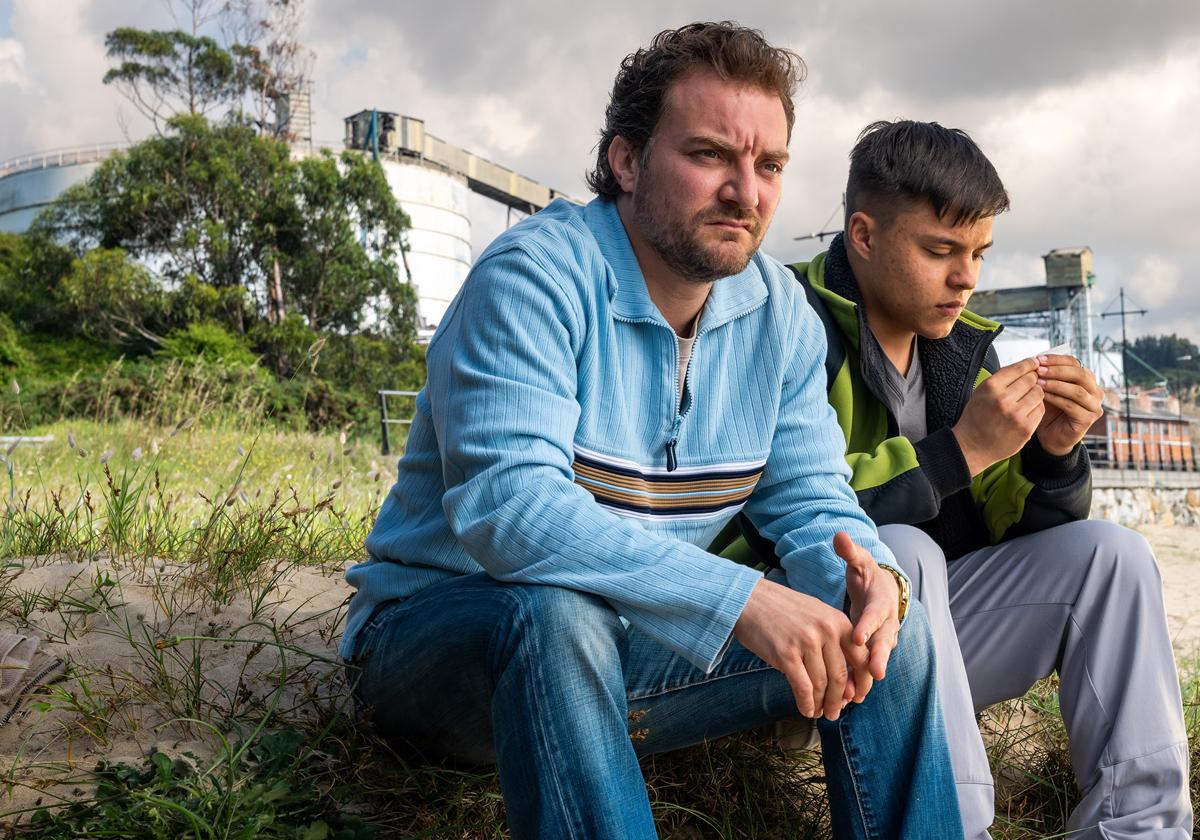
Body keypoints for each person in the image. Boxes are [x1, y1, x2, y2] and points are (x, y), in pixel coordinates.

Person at [340, 23, 963, 840]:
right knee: (556, 614)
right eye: (710, 156)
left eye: (768, 165)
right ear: (627, 160)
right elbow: (509, 509)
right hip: (442, 653)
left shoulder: (780, 315)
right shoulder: (535, 278)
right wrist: (738, 597)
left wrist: (871, 575)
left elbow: (813, 502)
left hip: (632, 654)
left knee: (884, 622)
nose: (747, 191)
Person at [734, 119, 1191, 838]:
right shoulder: (783, 319)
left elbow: (1022, 533)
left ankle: (1140, 828)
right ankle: (955, 827)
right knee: (897, 553)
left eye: (978, 252)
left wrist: (1054, 455)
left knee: (1115, 556)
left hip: (923, 653)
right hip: (792, 642)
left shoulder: (964, 349)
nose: (967, 277)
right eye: (940, 250)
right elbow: (777, 502)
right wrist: (959, 452)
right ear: (864, 234)